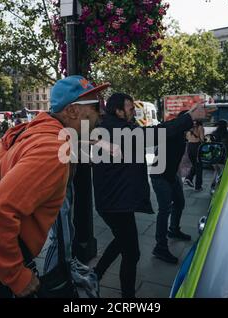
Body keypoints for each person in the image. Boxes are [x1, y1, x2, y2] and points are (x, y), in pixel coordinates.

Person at [0, 75, 109, 298]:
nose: (101, 113)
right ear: (73, 111)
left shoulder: (22, 132)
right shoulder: (52, 149)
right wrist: (16, 276)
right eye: (96, 106)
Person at [92, 93, 208, 298]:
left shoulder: (111, 127)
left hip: (114, 201)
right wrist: (188, 118)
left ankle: (95, 276)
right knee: (132, 252)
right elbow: (156, 134)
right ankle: (126, 297)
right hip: (115, 203)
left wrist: (188, 117)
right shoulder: (118, 129)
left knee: (121, 241)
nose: (133, 111)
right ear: (118, 110)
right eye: (129, 108)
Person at [150, 111, 193, 264]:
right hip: (160, 175)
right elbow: (165, 130)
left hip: (170, 174)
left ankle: (174, 229)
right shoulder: (172, 132)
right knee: (164, 210)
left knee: (179, 202)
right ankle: (160, 247)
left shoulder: (181, 133)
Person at [184, 120, 205, 191]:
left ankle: (188, 178)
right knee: (199, 166)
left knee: (195, 165)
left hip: (189, 147)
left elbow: (186, 138)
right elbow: (202, 139)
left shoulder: (189, 127)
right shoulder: (200, 127)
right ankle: (198, 186)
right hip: (197, 147)